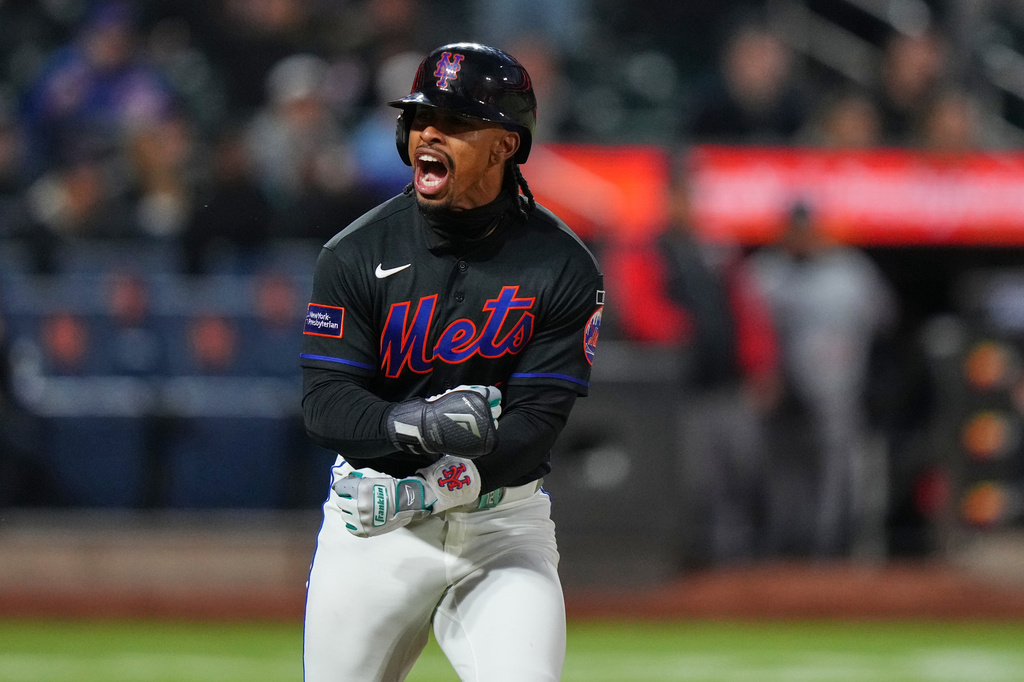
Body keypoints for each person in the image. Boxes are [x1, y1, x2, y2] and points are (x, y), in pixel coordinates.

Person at [299, 43, 604, 681]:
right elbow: (325, 402)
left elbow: (535, 426)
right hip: (375, 525)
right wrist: (415, 425)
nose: (429, 133)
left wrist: (429, 488)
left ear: (506, 145)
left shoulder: (563, 265)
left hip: (500, 526)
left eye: (457, 121)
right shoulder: (354, 253)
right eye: (421, 117)